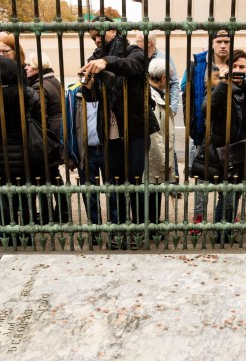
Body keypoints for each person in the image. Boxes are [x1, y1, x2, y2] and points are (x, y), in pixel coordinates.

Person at [79, 19, 160, 249]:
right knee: (114, 184)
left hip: (134, 129)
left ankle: (136, 232)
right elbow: (93, 98)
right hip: (110, 130)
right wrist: (87, 85)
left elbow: (133, 66)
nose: (96, 40)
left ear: (113, 31)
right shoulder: (93, 60)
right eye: (93, 37)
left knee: (134, 181)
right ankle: (118, 231)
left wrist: (106, 62)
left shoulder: (133, 51)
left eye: (99, 35)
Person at [204, 49, 246, 242]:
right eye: (235, 66)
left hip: (244, 152)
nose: (238, 70)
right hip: (225, 153)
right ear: (227, 68)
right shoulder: (218, 86)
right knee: (227, 197)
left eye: (242, 67)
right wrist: (223, 84)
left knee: (236, 195)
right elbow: (208, 111)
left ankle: (227, 232)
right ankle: (220, 233)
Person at [0, 58, 41, 236]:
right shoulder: (29, 94)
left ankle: (8, 234)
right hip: (27, 157)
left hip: (0, 159)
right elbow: (40, 124)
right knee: (27, 196)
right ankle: (28, 235)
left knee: (6, 197)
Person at [181, 30, 230, 230]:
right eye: (219, 41)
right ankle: (198, 218)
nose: (223, 45)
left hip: (229, 135)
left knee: (227, 180)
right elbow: (187, 94)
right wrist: (192, 126)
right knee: (202, 180)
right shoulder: (198, 66)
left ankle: (224, 218)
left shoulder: (237, 63)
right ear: (212, 43)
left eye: (227, 41)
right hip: (204, 133)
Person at [26, 52, 69, 224]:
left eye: (29, 65)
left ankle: (46, 216)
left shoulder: (39, 86)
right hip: (56, 134)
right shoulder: (53, 80)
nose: (26, 68)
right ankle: (63, 212)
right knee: (53, 174)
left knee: (42, 177)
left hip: (46, 137)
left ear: (37, 67)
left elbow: (39, 115)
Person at [135, 31, 181, 184]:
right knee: (154, 143)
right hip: (146, 102)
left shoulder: (164, 58)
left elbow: (174, 83)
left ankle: (171, 181)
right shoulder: (136, 56)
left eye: (139, 41)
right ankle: (156, 178)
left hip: (162, 104)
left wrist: (172, 107)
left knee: (167, 143)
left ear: (149, 42)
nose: (136, 44)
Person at [148, 58, 176, 230]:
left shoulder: (156, 95)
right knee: (152, 193)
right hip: (155, 157)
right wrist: (165, 161)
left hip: (156, 156)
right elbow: (155, 135)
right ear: (163, 78)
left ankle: (154, 223)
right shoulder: (152, 98)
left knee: (155, 193)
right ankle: (152, 226)